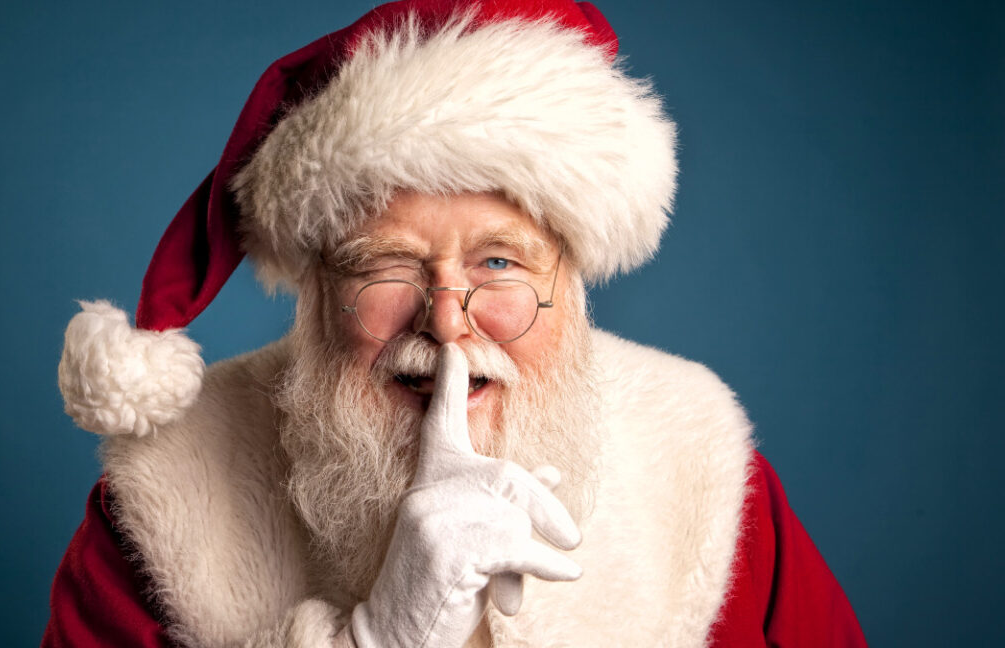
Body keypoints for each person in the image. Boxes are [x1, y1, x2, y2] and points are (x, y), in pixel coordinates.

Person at [44, 1, 866, 646]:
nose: (445, 320)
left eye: (500, 263)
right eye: (384, 264)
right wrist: (380, 639)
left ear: (571, 282)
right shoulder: (163, 497)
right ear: (316, 292)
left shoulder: (703, 470)